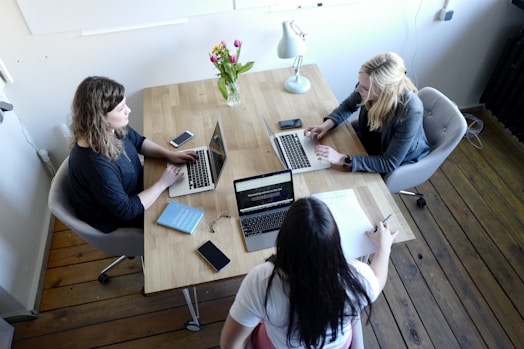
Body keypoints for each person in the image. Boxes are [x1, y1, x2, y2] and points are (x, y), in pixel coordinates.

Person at [220, 197, 398, 349]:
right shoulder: (357, 277)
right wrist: (384, 247)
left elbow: (229, 344)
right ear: (335, 242)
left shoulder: (261, 281)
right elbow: (378, 279)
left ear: (283, 240)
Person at [68, 76, 198, 233]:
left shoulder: (108, 129)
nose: (128, 111)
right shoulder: (95, 165)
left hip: (138, 188)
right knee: (191, 209)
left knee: (190, 191)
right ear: (99, 118)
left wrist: (169, 154)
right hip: (119, 217)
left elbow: (138, 142)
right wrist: (163, 183)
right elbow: (126, 211)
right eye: (121, 109)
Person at [305, 52, 430, 174]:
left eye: (365, 88)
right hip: (370, 138)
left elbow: (389, 162)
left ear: (386, 91)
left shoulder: (410, 111)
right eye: (360, 83)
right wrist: (326, 125)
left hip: (393, 157)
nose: (357, 89)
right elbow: (349, 105)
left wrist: (341, 159)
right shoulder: (366, 84)